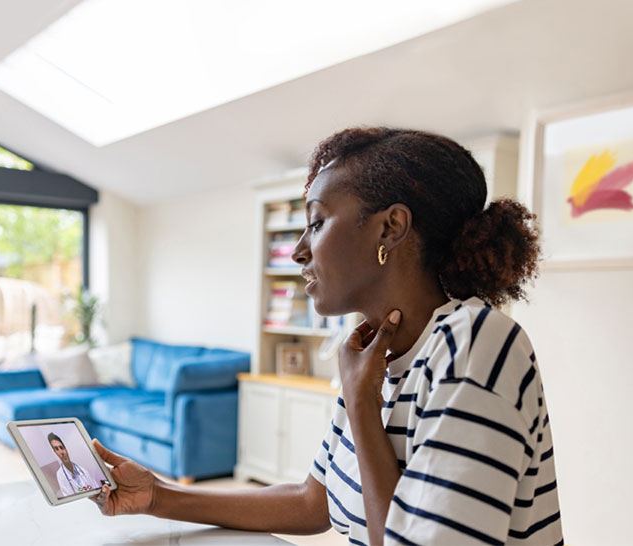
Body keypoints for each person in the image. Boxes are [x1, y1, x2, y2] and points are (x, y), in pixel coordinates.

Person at [91, 127, 563, 545]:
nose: (299, 251)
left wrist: (361, 405)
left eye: (316, 223)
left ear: (390, 228)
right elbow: (313, 501)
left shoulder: (475, 345)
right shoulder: (375, 354)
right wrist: (158, 495)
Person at [48, 432, 98, 497]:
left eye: (61, 447)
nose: (61, 452)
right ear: (55, 452)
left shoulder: (83, 470)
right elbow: (69, 497)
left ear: (66, 449)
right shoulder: (60, 475)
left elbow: (96, 488)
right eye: (57, 449)